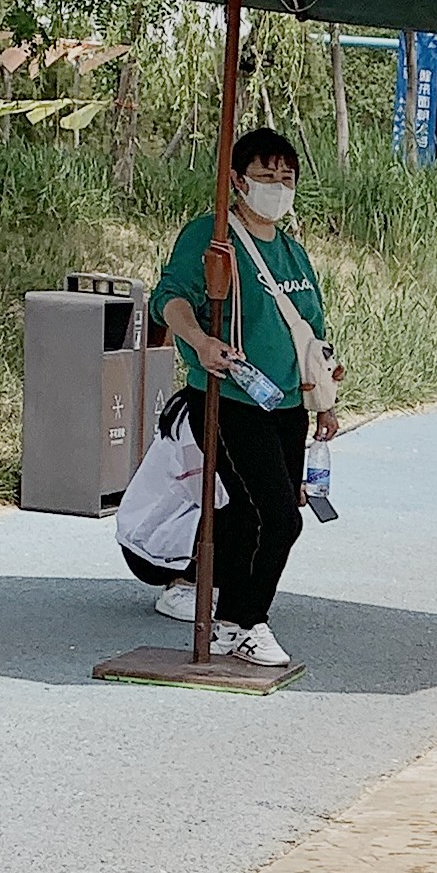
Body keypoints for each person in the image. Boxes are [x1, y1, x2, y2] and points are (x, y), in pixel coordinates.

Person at [154, 128, 335, 668]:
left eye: (286, 178)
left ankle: (226, 616)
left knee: (251, 512)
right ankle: (248, 621)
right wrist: (201, 341)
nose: (277, 187)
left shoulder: (293, 252)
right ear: (237, 181)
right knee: (281, 517)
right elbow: (171, 297)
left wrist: (323, 399)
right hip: (229, 398)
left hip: (285, 406)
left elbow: (313, 331)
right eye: (265, 177)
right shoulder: (212, 238)